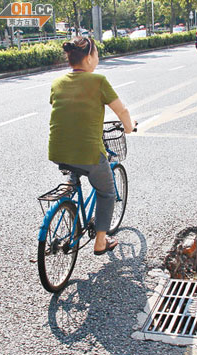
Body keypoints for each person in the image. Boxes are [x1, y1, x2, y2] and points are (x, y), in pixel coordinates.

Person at [48, 36, 135, 255]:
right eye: (96, 54)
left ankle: (71, 183)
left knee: (75, 166)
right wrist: (128, 127)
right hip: (89, 152)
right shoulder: (99, 81)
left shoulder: (57, 83)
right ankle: (100, 242)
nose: (97, 58)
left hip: (58, 150)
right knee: (106, 193)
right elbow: (122, 111)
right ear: (88, 58)